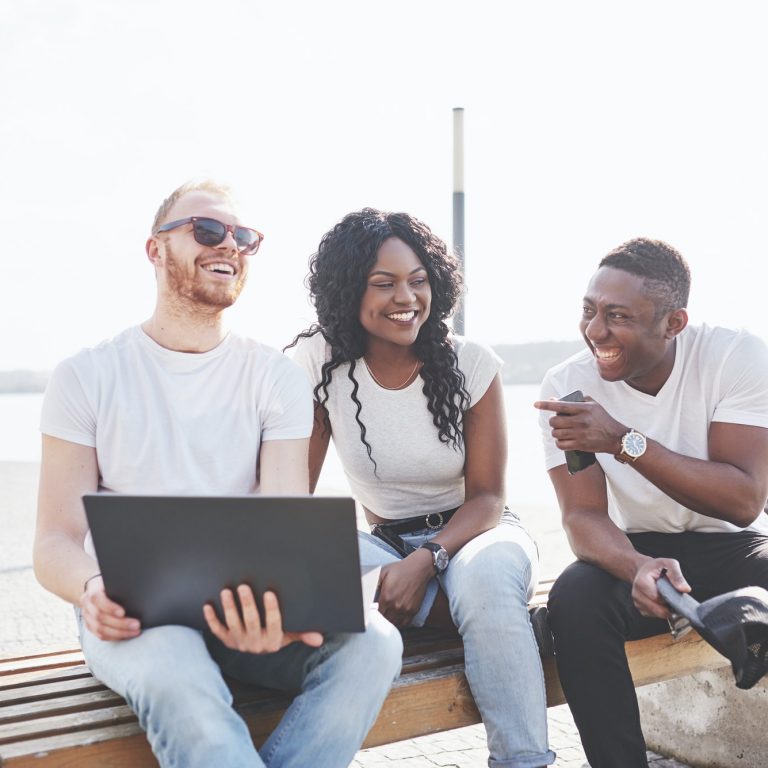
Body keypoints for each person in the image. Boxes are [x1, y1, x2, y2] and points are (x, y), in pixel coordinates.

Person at [33, 181, 403, 768]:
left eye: (243, 237)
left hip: (246, 611)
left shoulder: (275, 378)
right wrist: (89, 588)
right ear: (155, 250)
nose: (228, 245)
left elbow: (284, 528)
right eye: (206, 231)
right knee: (183, 686)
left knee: (376, 646)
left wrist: (282, 609)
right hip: (133, 615)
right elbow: (54, 542)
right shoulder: (86, 376)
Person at [289, 208, 556, 768]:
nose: (405, 297)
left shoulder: (471, 362)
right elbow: (294, 495)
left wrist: (428, 560)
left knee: (484, 580)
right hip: (383, 542)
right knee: (322, 566)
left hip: (474, 533)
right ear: (346, 291)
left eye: (417, 280)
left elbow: (488, 496)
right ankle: (492, 622)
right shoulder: (317, 361)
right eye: (382, 283)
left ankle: (524, 761)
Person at [535, 237, 768, 768]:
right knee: (574, 598)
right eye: (589, 311)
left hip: (733, 544)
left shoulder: (734, 355)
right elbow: (582, 516)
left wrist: (622, 440)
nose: (595, 332)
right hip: (641, 550)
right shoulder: (568, 388)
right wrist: (637, 567)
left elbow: (743, 500)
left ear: (673, 323)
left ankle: (749, 608)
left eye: (617, 316)